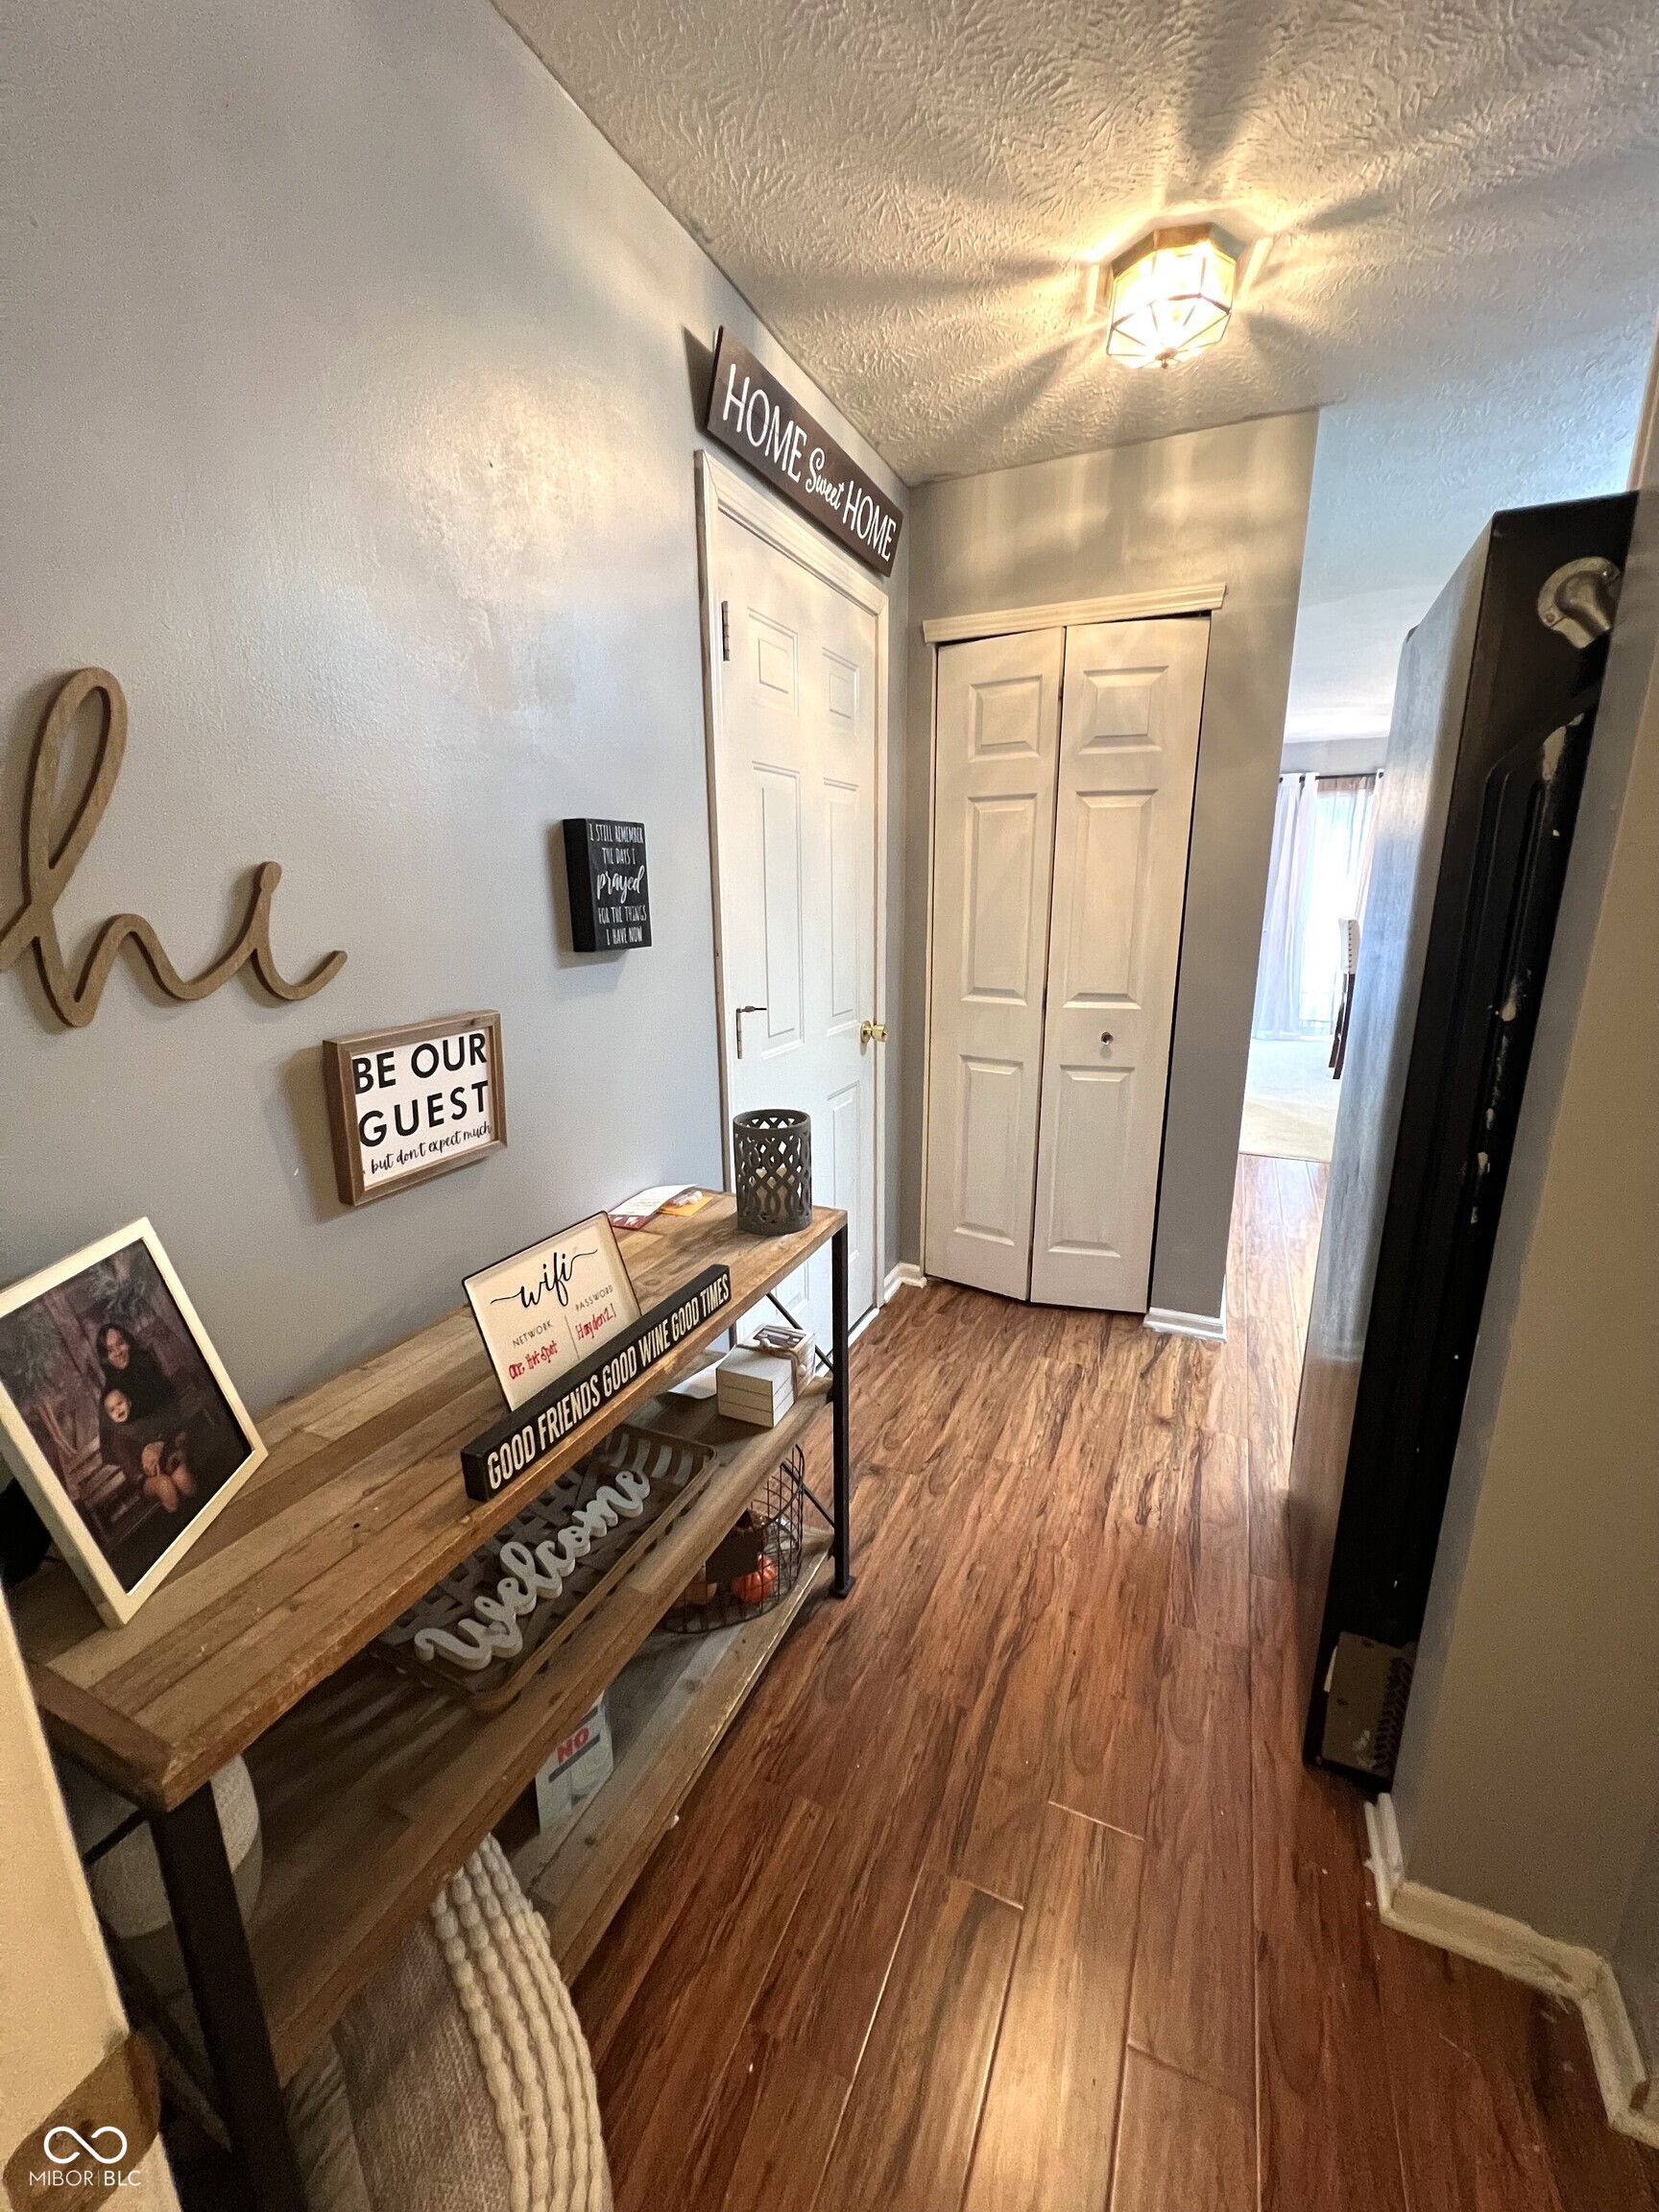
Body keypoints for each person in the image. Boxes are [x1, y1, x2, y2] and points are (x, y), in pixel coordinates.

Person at [96, 1322, 173, 1421]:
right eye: (110, 1350)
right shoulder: (110, 1396)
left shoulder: (146, 1365)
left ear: (128, 1343)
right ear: (105, 1358)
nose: (118, 1352)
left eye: (120, 1343)